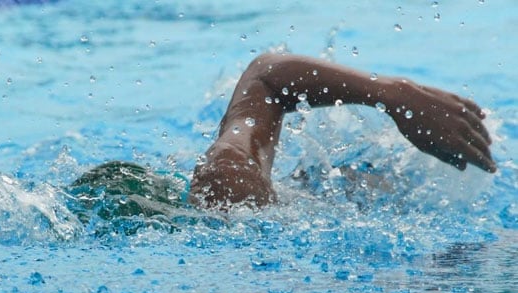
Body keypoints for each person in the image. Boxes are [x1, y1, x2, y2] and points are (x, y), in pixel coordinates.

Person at [69, 53, 495, 220]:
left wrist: (396, 95)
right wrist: (392, 93)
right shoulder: (228, 189)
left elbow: (268, 77)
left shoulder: (228, 184)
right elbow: (266, 77)